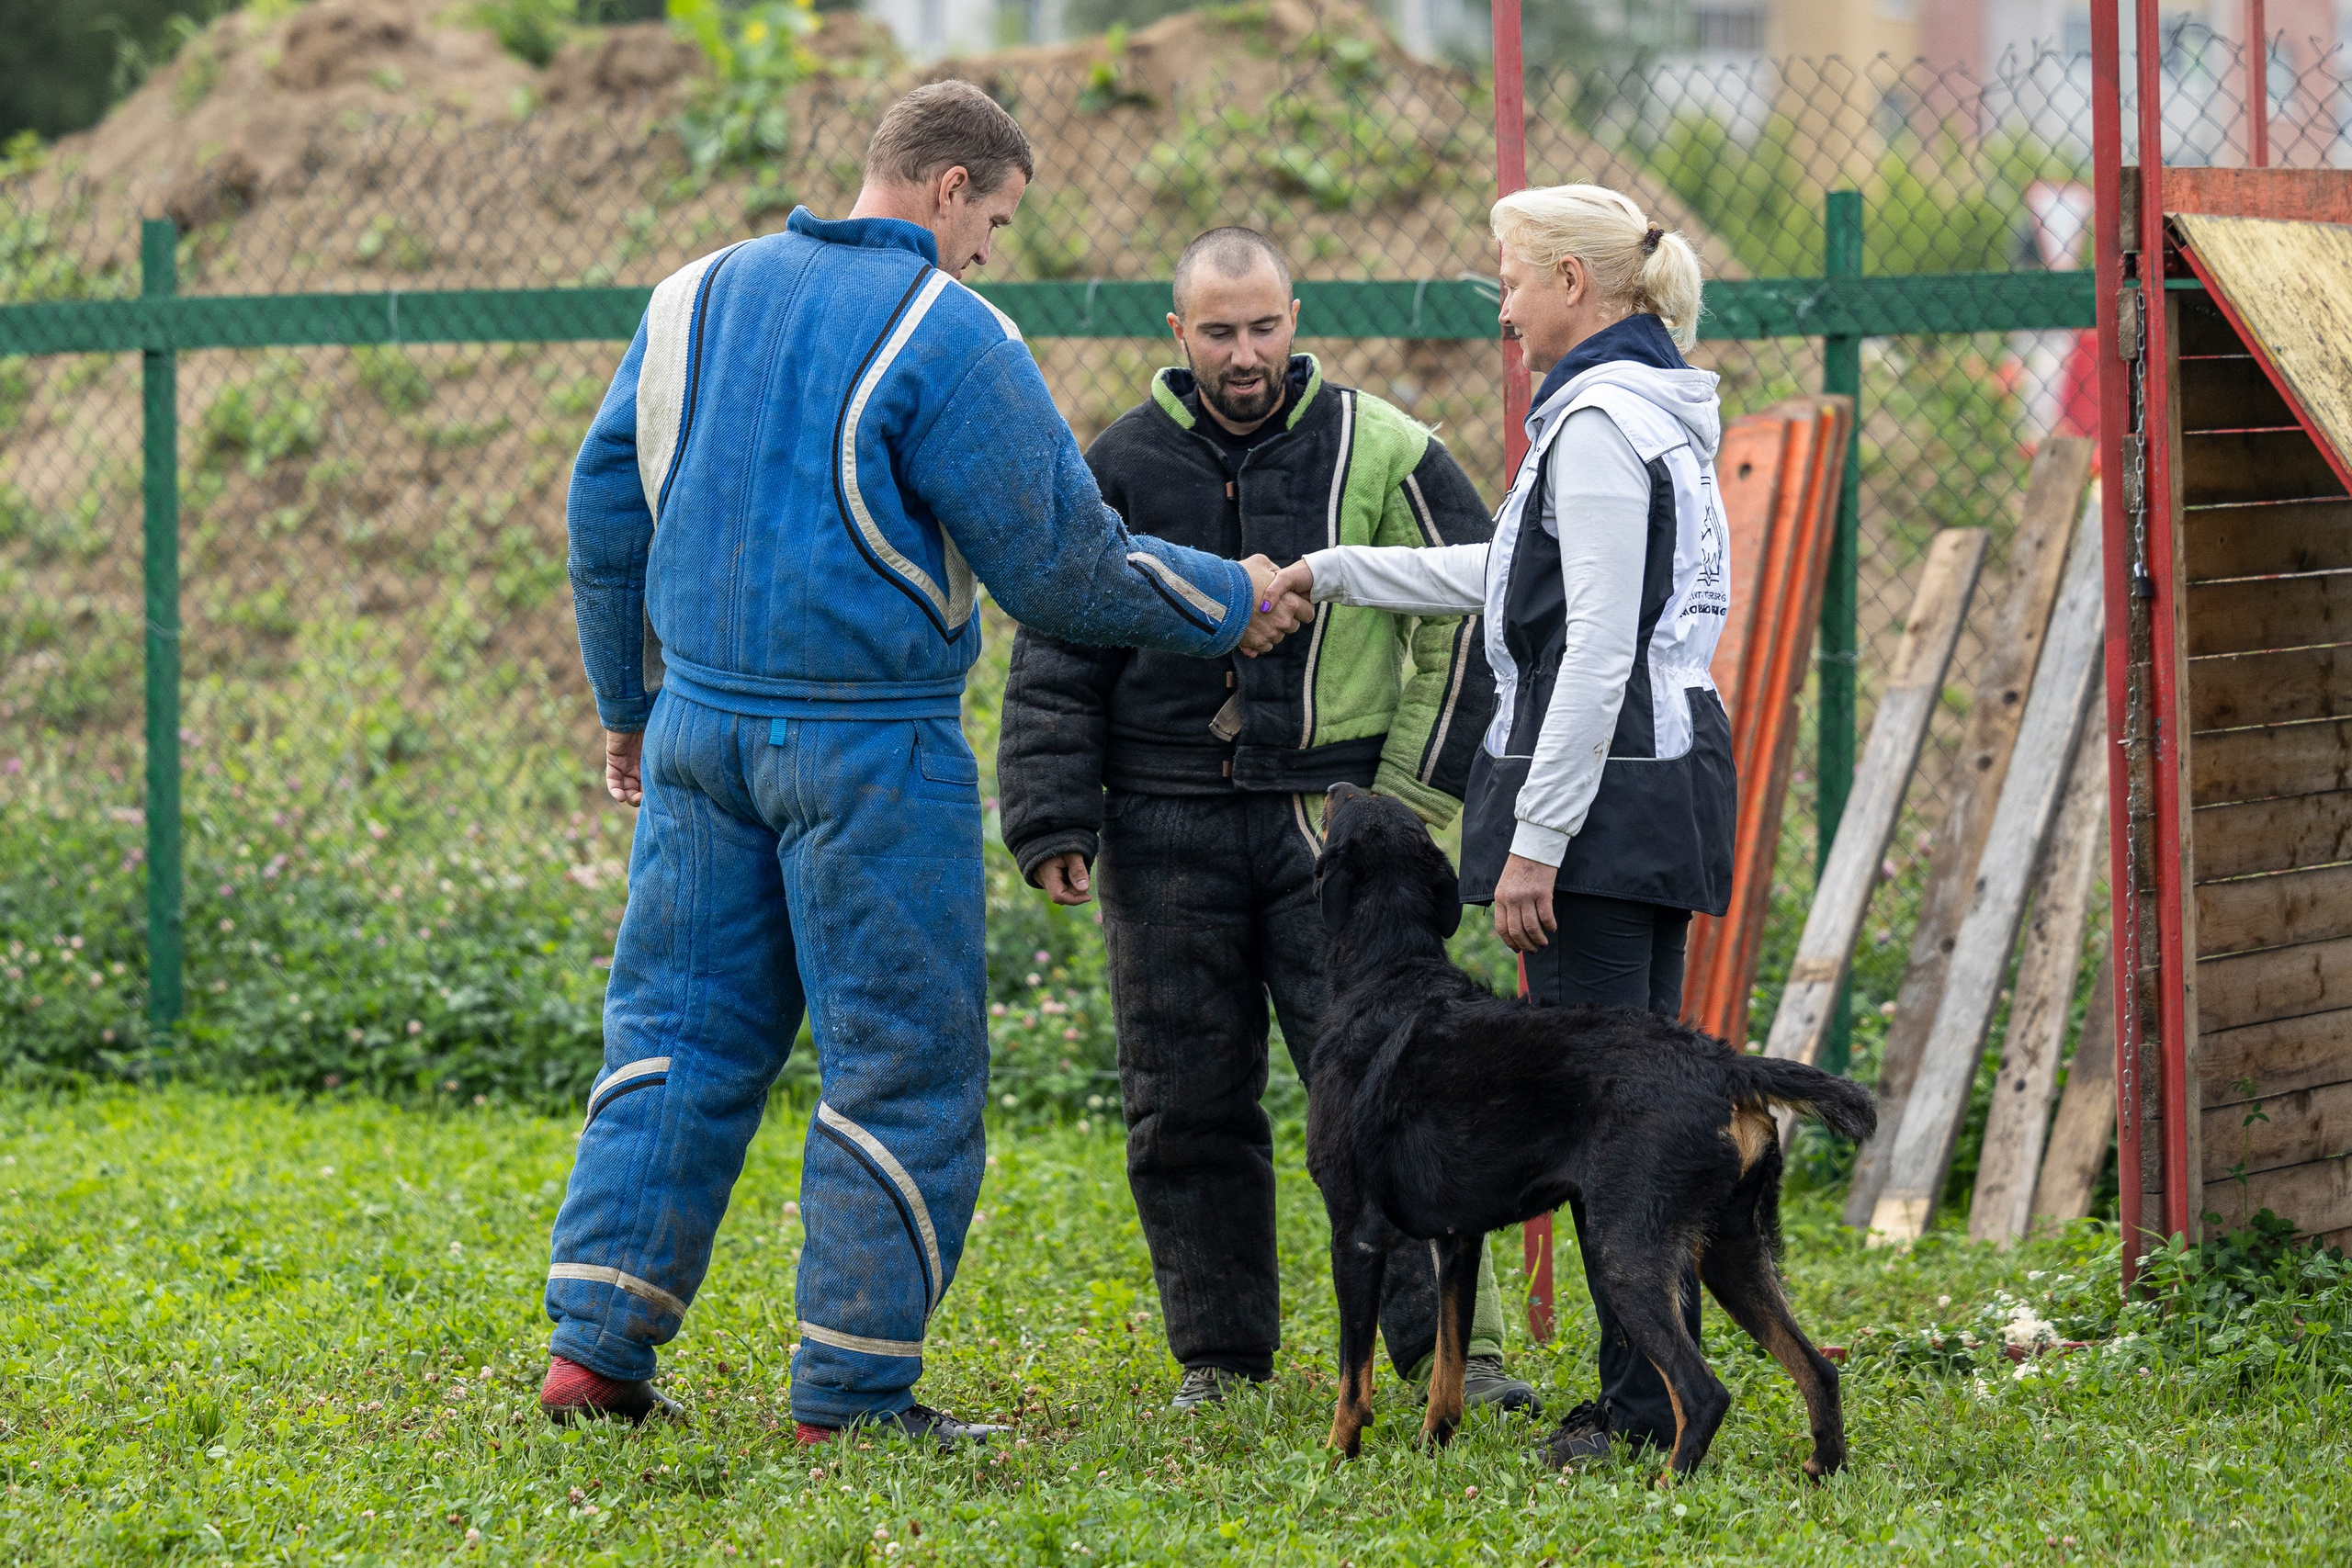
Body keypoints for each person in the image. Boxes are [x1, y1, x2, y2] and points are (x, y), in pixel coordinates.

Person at [541, 82, 1313, 1447]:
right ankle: (850, 1393)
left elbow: (604, 509)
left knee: (676, 1035)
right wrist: (1229, 596)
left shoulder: (688, 297)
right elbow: (1066, 566)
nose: (991, 250)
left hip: (697, 737)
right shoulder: (950, 334)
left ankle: (595, 1354)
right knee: (900, 1064)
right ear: (950, 187)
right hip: (870, 750)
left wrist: (626, 704)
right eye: (996, 218)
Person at [997, 227, 1536, 1416]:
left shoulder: (1385, 448)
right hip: (1158, 824)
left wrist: (1396, 808)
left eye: (1265, 327)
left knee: (1404, 1094)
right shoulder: (1118, 464)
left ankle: (1459, 1354)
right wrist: (1050, 814)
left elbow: (1484, 614)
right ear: (1175, 334)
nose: (1246, 354)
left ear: (1298, 318)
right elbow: (1061, 634)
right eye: (1220, 331)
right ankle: (1220, 1360)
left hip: (1332, 841)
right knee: (1183, 1099)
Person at [1265, 184, 1733, 1467]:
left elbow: (1587, 651)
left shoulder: (1593, 424)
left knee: (1605, 1121)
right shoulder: (1651, 408)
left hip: (1604, 794)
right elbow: (1513, 576)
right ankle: (1648, 1394)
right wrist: (1341, 569)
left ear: (1575, 284)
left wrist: (1535, 840)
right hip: (1664, 771)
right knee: (1632, 1098)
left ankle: (1637, 1412)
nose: (1506, 305)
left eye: (1514, 280)